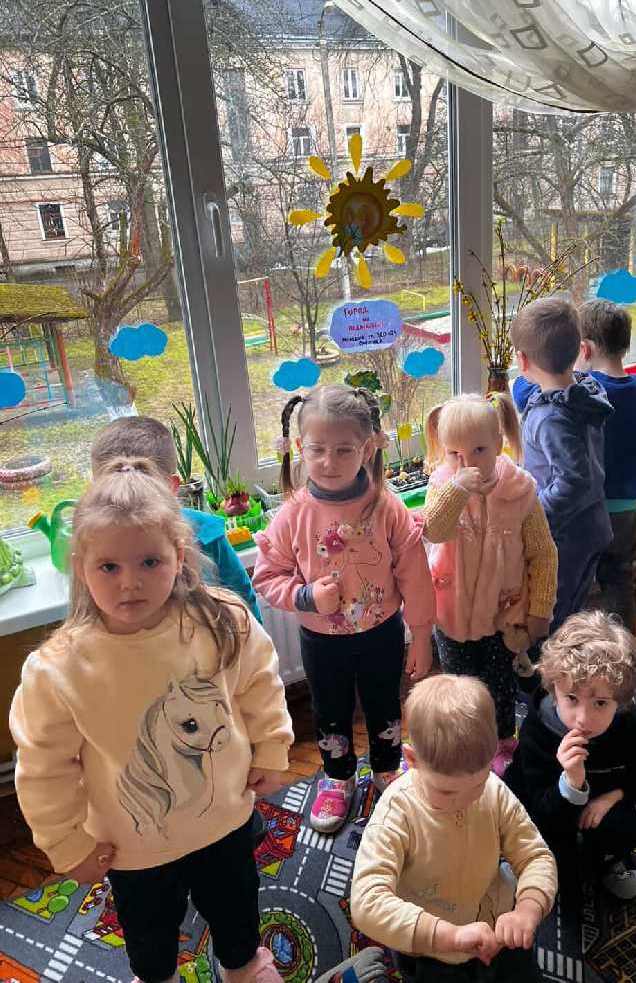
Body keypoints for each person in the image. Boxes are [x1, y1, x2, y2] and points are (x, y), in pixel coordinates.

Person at [9, 459, 294, 983]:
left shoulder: (221, 619)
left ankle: (244, 965)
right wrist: (67, 843)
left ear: (179, 556)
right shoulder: (58, 669)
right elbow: (44, 766)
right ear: (80, 567)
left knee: (237, 909)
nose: (130, 583)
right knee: (150, 935)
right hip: (134, 849)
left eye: (149, 562)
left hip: (226, 819)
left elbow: (259, 683)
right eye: (109, 567)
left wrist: (273, 747)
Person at [253, 383, 435, 834]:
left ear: (367, 448)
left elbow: (415, 575)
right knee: (330, 711)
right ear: (300, 447)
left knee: (384, 705)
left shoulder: (387, 507)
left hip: (383, 633)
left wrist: (422, 636)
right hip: (321, 640)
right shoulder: (292, 514)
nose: (329, 462)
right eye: (317, 450)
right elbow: (268, 578)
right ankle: (338, 777)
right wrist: (306, 596)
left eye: (343, 450)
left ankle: (387, 768)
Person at [351, 675, 557, 982]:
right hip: (432, 949)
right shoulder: (396, 812)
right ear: (412, 760)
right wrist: (448, 936)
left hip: (499, 930)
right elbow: (366, 902)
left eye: (477, 784)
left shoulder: (493, 790)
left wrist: (528, 908)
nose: (464, 801)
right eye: (446, 792)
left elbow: (536, 856)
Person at [515, 300, 636, 646]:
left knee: (563, 599)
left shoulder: (563, 406)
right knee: (617, 584)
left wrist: (533, 513)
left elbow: (524, 392)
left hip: (572, 521)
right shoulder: (598, 393)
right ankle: (622, 651)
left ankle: (566, 659)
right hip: (621, 513)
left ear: (585, 349)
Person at [422, 392, 557, 775]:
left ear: (498, 444)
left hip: (504, 615)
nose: (467, 463)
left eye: (479, 450)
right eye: (454, 454)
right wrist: (457, 489)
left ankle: (501, 741)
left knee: (499, 688)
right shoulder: (443, 486)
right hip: (452, 614)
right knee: (460, 686)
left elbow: (543, 555)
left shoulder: (521, 491)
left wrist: (538, 614)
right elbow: (433, 530)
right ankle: (466, 740)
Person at [504, 612, 636, 903]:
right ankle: (527, 861)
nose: (583, 718)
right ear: (554, 689)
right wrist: (571, 783)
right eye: (572, 699)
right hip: (545, 807)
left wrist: (612, 797)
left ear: (620, 701)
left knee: (623, 828)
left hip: (600, 809)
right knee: (536, 841)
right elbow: (535, 804)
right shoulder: (538, 730)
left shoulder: (628, 726)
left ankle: (609, 860)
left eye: (600, 703)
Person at [91, 416, 262, 624]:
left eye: (150, 562)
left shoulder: (206, 533)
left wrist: (251, 639)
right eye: (110, 567)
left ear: (171, 486)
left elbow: (243, 599)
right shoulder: (93, 543)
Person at [511, 298, 613, 633]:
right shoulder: (584, 391)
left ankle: (555, 663)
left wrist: (534, 513)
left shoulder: (550, 417)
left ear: (522, 360)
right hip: (592, 523)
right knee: (571, 607)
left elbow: (574, 480)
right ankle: (570, 656)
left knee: (553, 611)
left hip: (567, 534)